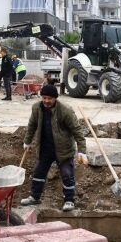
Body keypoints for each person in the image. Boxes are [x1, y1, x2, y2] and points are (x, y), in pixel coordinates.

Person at [20, 84, 87, 212]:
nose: (46, 101)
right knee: (38, 173)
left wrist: (82, 151)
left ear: (55, 98)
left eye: (49, 98)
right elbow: (32, 125)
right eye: (44, 98)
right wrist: (27, 141)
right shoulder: (36, 108)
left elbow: (77, 131)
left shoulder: (65, 110)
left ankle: (69, 200)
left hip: (63, 149)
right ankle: (35, 197)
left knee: (67, 175)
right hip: (45, 147)